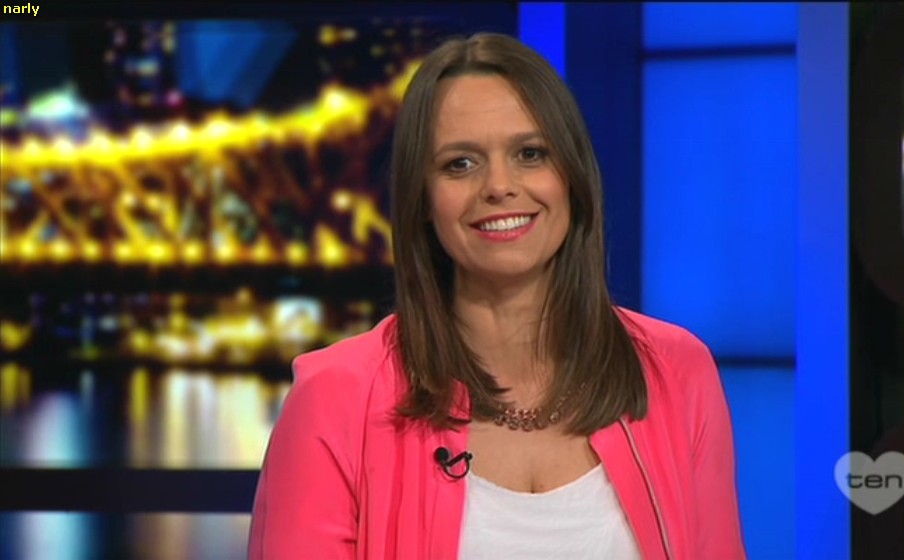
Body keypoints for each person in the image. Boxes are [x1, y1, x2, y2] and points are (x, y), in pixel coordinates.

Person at [248, 32, 746, 559]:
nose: (499, 186)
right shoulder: (336, 398)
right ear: (423, 199)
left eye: (530, 154)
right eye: (460, 164)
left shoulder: (674, 372)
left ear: (572, 178)